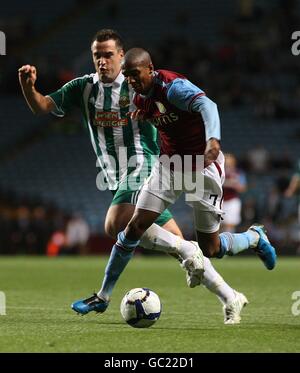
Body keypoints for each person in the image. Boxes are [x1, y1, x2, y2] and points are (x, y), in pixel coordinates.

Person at [19, 30, 248, 324]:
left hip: (145, 164)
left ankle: (103, 296)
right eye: (96, 55)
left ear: (121, 55)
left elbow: (181, 102)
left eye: (108, 55)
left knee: (115, 223)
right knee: (190, 250)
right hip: (117, 174)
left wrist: (205, 138)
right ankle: (231, 297)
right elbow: (42, 106)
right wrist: (28, 86)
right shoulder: (83, 87)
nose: (102, 61)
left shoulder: (139, 85)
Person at [70, 47, 278, 318]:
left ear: (150, 69)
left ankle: (254, 237)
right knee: (134, 227)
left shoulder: (172, 87)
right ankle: (103, 296)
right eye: (128, 76)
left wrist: (213, 139)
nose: (132, 81)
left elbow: (208, 106)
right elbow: (163, 116)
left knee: (211, 248)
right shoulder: (139, 96)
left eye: (136, 74)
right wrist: (145, 115)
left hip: (203, 168)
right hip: (168, 166)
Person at [221, 153, 247, 232]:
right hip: (219, 201)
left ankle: (230, 243)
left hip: (232, 201)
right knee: (219, 226)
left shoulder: (238, 173)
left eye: (229, 163)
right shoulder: (219, 173)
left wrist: (234, 184)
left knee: (229, 225)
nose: (227, 166)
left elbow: (243, 188)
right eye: (225, 163)